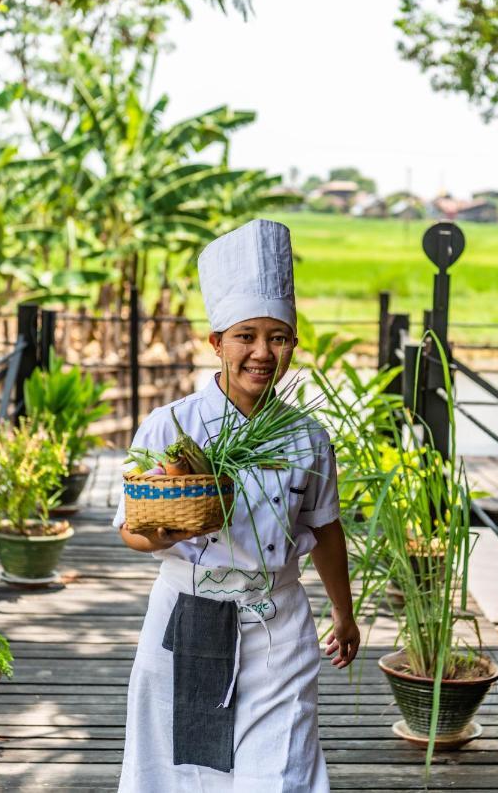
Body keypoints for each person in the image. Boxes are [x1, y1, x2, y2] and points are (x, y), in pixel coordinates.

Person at [114, 218, 360, 792]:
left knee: (281, 778)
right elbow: (132, 529)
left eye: (278, 338)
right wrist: (163, 535)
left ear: (292, 345)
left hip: (279, 628)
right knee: (175, 778)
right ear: (217, 342)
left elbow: (325, 530)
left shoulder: (308, 437)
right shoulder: (171, 425)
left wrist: (344, 613)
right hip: (187, 620)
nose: (262, 353)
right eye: (246, 335)